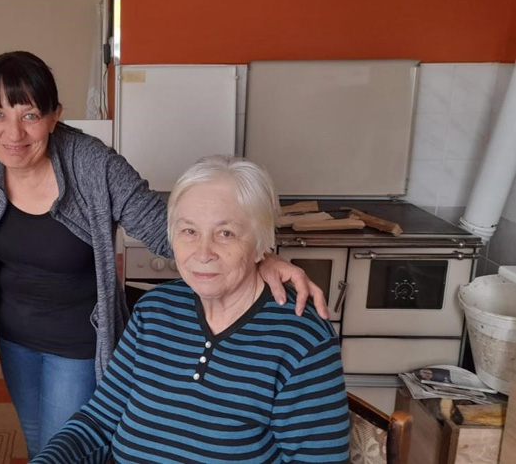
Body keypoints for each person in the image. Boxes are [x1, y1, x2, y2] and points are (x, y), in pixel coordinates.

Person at [0, 51, 328, 457]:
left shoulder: (93, 165)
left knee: (72, 438)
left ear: (55, 116)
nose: (13, 133)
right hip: (13, 334)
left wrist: (257, 257)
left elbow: (168, 230)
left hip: (78, 342)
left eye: (30, 115)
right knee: (41, 440)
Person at [31, 155, 350, 463]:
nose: (203, 252)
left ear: (260, 245)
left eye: (225, 233)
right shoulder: (153, 312)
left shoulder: (301, 339)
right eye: (189, 231)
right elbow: (99, 422)